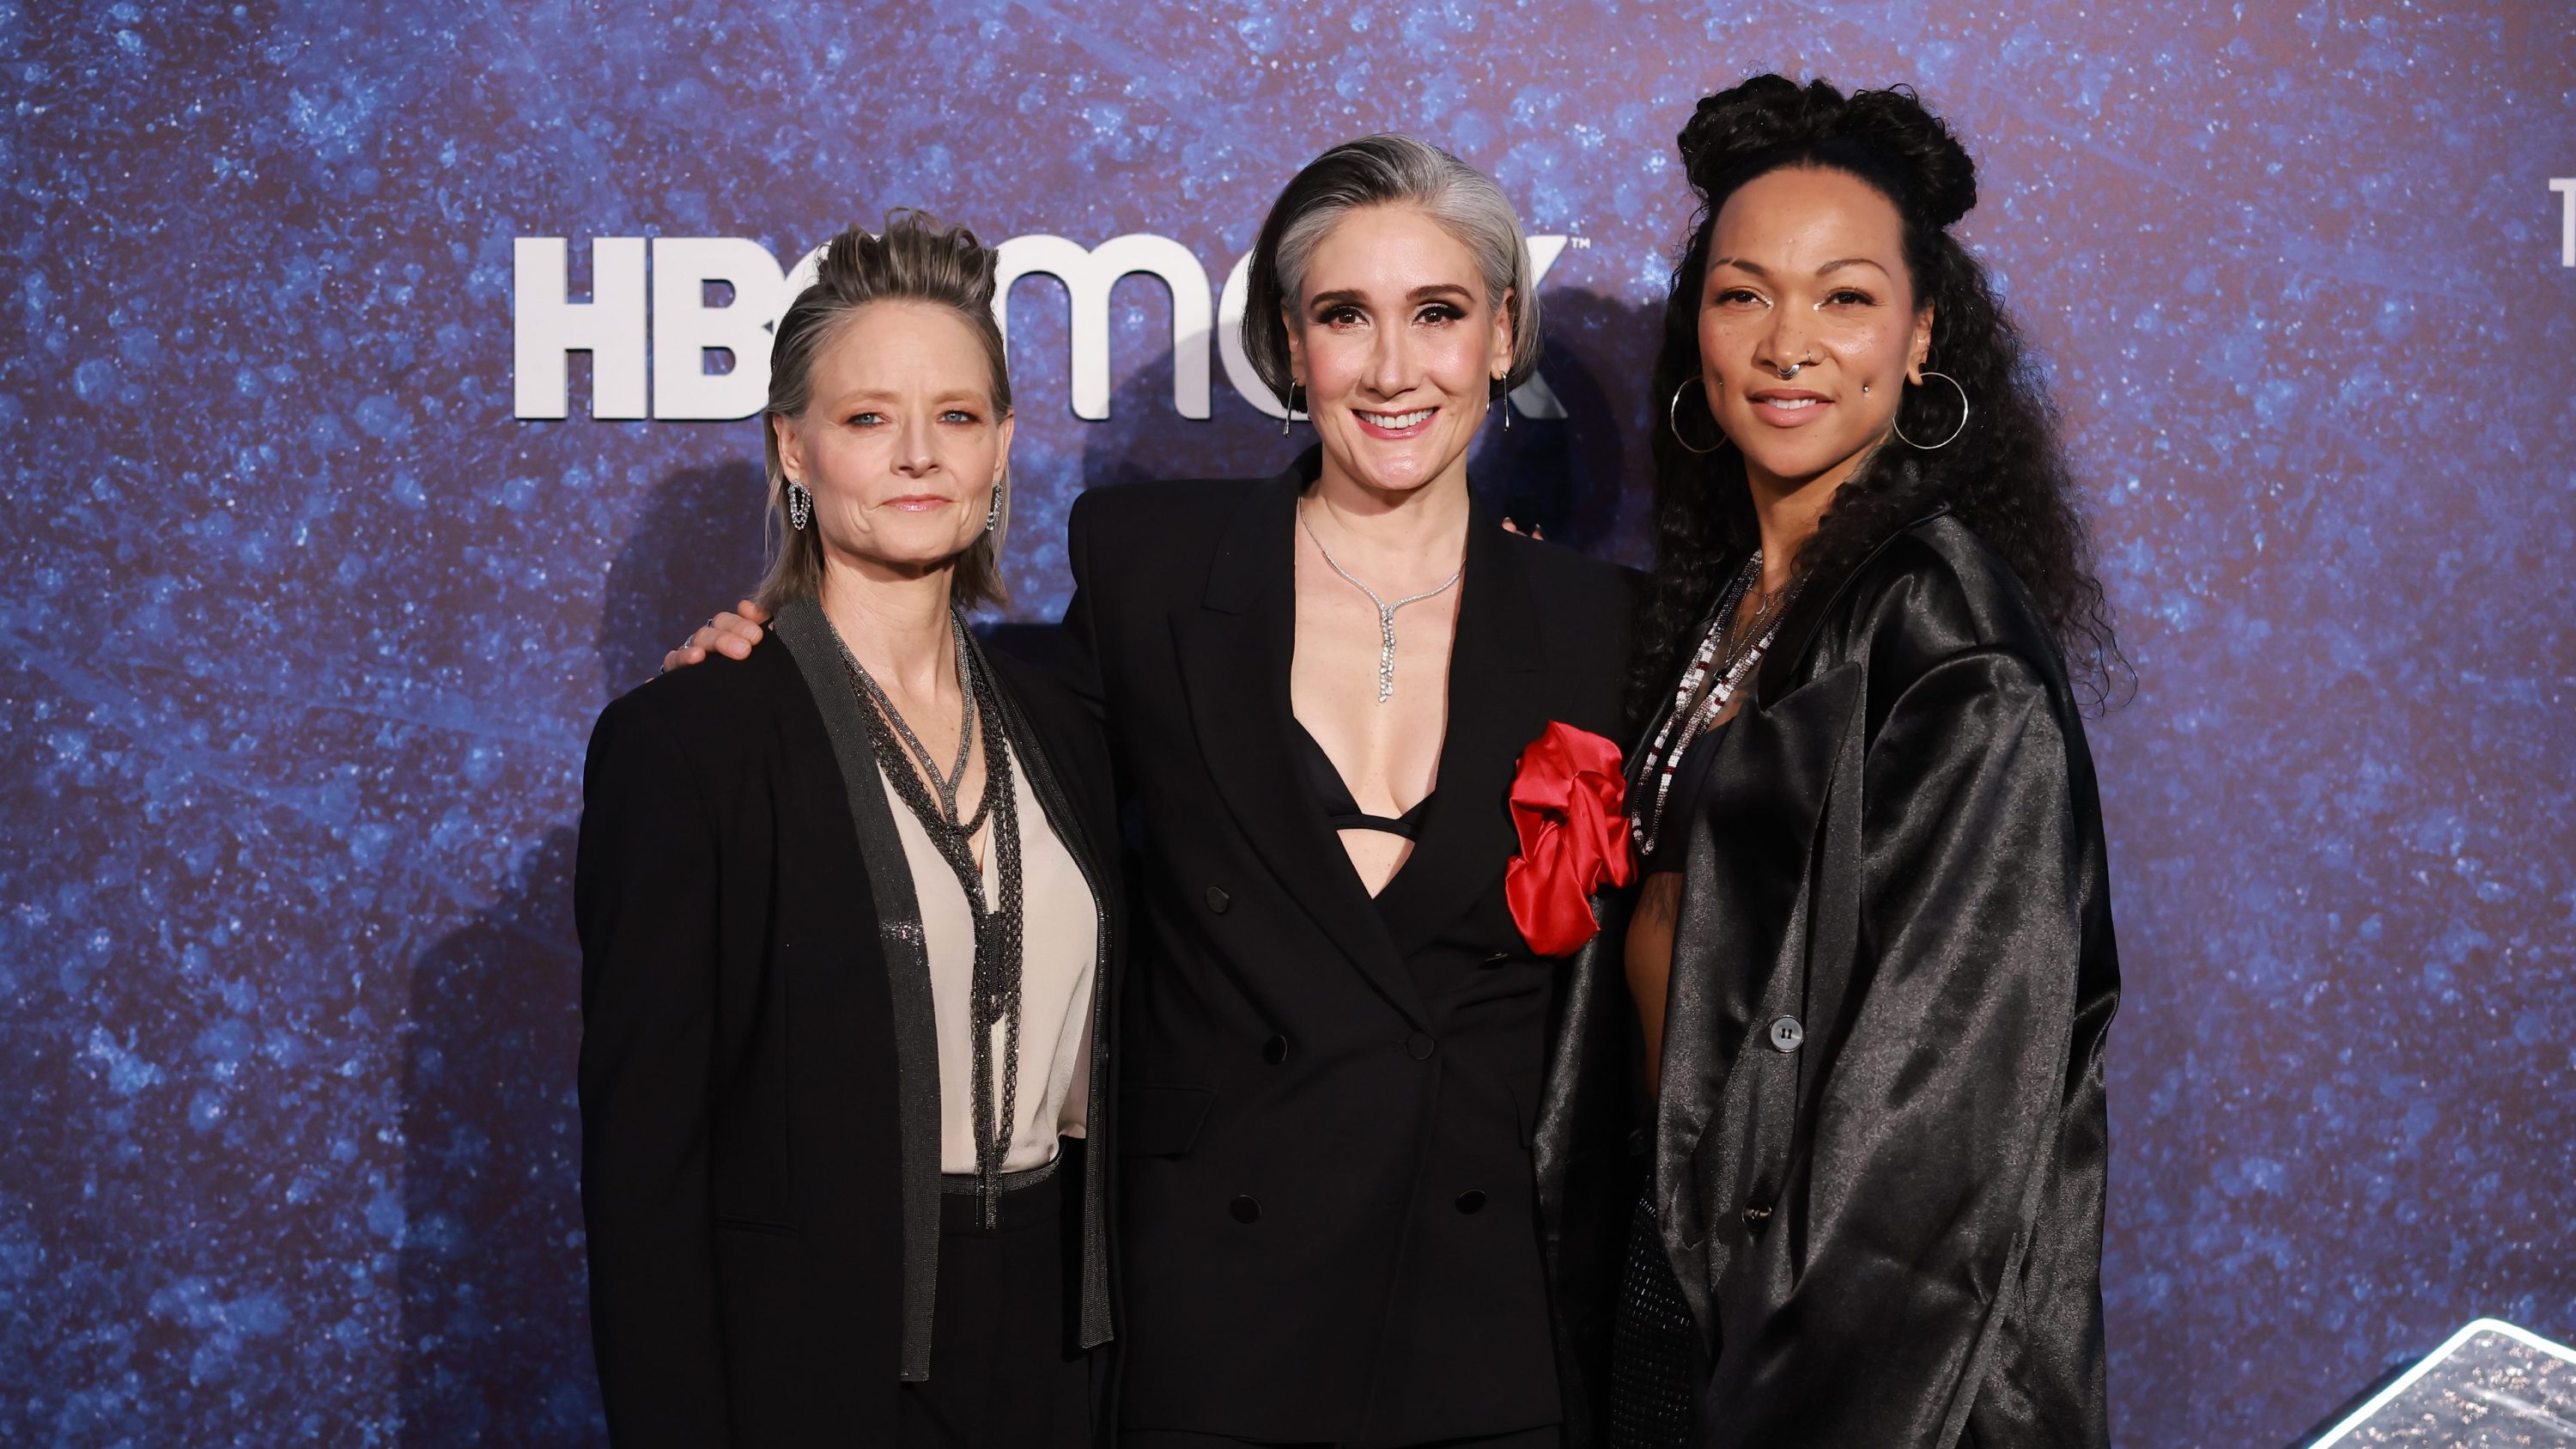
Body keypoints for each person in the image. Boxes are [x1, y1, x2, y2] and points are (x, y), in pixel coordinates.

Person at [671, 137, 1636, 1447]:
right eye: (1346, 316)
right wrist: (779, 659)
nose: (1395, 368)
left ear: (1503, 332)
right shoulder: (1154, 570)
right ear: (1291, 346)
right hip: (1214, 1333)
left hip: (1483, 1330)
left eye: (1440, 314)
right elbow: (960, 710)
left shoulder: (1600, 628)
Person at [1544, 76, 2124, 1449]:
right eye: (1745, 295)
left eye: (1845, 297)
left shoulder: (1947, 638)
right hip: (1679, 1292)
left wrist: (1784, 1392)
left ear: (1924, 336)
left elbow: (1927, 1141)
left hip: (1856, 1373)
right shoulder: (1735, 599)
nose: (1788, 343)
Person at [575, 213, 1120, 1447]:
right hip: (814, 1369)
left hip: (1058, 1359)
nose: (919, 455)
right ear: (794, 450)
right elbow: (643, 1177)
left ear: (1003, 451)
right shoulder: (690, 744)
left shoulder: (1068, 715)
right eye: (869, 418)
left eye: (959, 417)